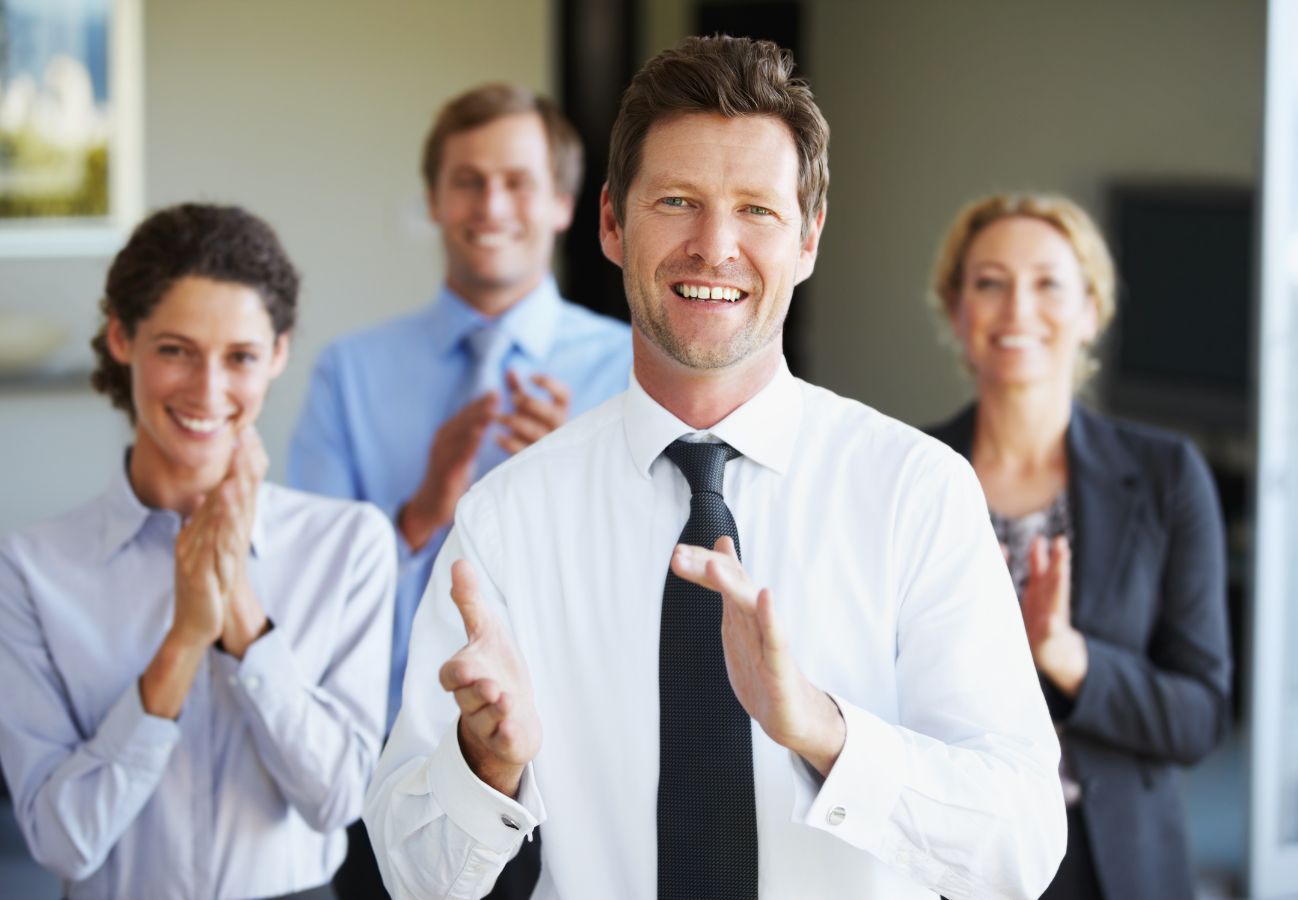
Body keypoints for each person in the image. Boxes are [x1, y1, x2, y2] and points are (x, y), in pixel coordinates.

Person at [365, 36, 1065, 900]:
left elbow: (1021, 849)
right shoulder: (507, 520)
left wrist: (823, 730)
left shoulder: (917, 492)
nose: (714, 245)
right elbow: (411, 874)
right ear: (613, 225)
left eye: (757, 211)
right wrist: (484, 764)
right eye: (678, 201)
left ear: (807, 240)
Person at [288, 82, 631, 897]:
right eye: (467, 181)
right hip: (393, 766)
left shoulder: (634, 374)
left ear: (561, 203)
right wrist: (421, 514)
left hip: (583, 774)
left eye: (517, 181)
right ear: (436, 201)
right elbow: (307, 601)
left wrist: (566, 485)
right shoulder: (351, 373)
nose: (491, 204)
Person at [0, 203, 394, 899]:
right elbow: (62, 841)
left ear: (277, 354)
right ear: (122, 339)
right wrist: (183, 641)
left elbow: (337, 802)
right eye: (175, 350)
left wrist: (238, 606)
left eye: (240, 356)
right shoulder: (30, 570)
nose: (207, 390)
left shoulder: (349, 545)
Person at [924, 192, 1232, 899]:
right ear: (956, 310)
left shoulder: (1167, 476)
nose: (1018, 309)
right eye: (989, 282)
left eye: (1049, 284)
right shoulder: (912, 471)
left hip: (1115, 866)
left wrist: (1067, 656)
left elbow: (1200, 716)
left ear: (1092, 310)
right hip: (949, 862)